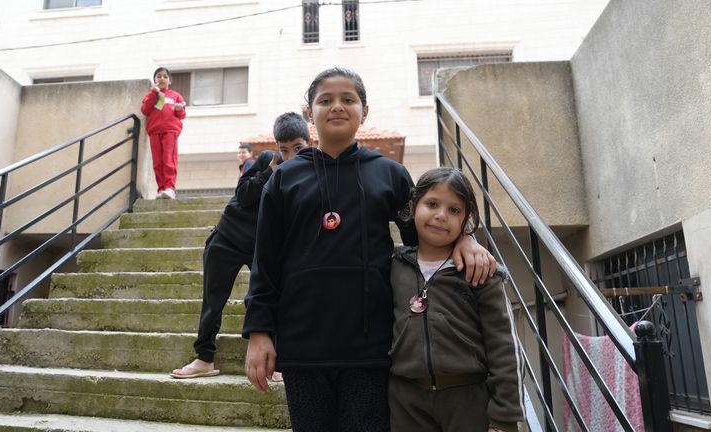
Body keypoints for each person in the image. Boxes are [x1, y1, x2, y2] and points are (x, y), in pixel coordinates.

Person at [243, 67, 497, 431]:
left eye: (349, 99)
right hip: (302, 345)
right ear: (308, 111)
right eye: (325, 100)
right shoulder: (284, 178)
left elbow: (425, 234)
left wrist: (465, 237)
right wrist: (259, 332)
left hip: (372, 348)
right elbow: (264, 261)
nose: (337, 107)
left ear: (365, 110)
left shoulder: (389, 174)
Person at [170, 112, 310, 379]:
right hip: (227, 237)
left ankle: (277, 362)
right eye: (284, 149)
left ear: (308, 143)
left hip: (263, 246)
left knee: (271, 299)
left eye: (298, 148)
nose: (290, 155)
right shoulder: (267, 160)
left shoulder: (308, 172)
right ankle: (204, 358)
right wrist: (269, 172)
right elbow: (242, 195)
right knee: (213, 301)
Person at [388, 167, 524, 432]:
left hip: (469, 400)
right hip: (406, 401)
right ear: (413, 206)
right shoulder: (394, 266)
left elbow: (505, 347)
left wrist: (505, 417)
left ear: (465, 220)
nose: (441, 216)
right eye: (432, 204)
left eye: (454, 210)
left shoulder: (481, 272)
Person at [140, 67, 186, 200]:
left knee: (168, 159)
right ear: (155, 80)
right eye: (159, 76)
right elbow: (145, 110)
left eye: (165, 77)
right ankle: (161, 189)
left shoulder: (175, 95)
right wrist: (154, 93)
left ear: (169, 81)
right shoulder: (151, 95)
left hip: (170, 131)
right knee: (157, 162)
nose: (162, 79)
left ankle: (170, 188)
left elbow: (182, 115)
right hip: (154, 131)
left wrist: (179, 109)